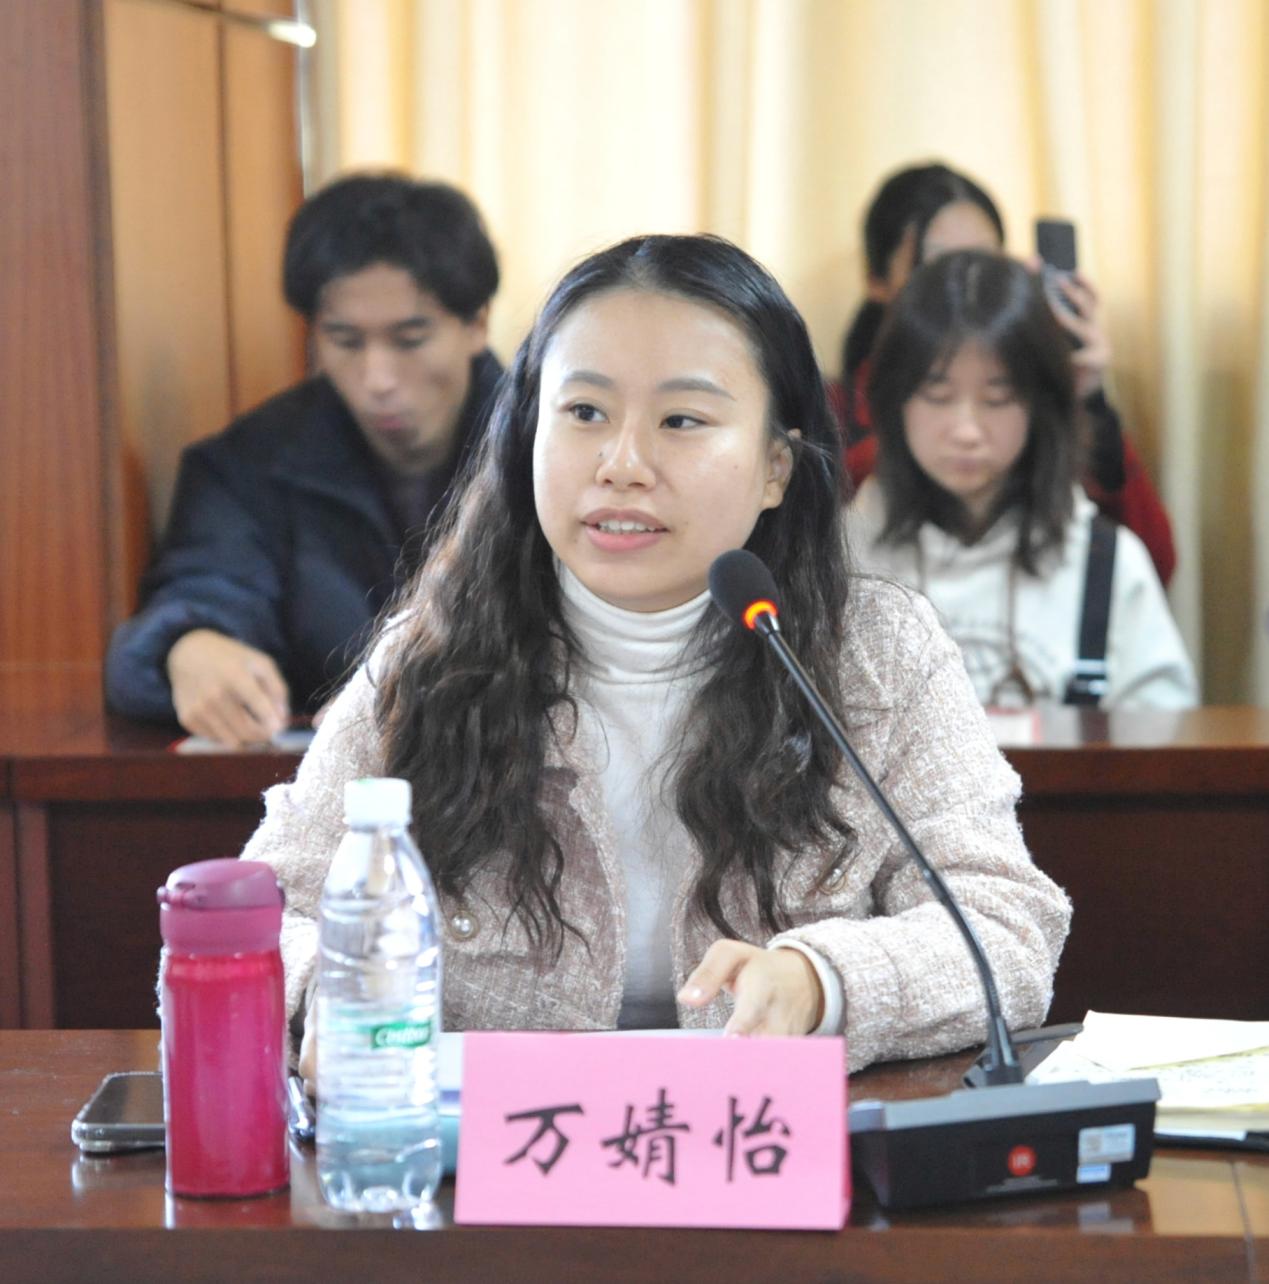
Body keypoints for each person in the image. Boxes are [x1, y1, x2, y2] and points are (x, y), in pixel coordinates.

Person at [239, 233, 1072, 1081]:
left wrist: (822, 984)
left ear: (776, 466)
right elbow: (258, 918)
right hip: (498, 1150)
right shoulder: (430, 655)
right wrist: (325, 991)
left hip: (765, 1147)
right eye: (584, 413)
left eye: (681, 421)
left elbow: (1004, 928)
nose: (622, 465)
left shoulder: (878, 653)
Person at [104, 174, 503, 747]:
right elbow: (207, 586)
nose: (378, 379)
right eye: (345, 341)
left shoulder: (551, 448)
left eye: (410, 339)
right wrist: (188, 645)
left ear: (477, 323)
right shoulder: (248, 466)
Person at [849, 249, 1197, 710]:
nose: (966, 431)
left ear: (1042, 405)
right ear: (893, 401)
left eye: (998, 398)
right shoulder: (839, 557)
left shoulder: (1105, 562)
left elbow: (1165, 737)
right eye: (937, 395)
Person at [833, 161, 1177, 586]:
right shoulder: (832, 414)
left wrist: (1084, 400)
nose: (964, 286)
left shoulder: (1034, 400)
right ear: (878, 282)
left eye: (985, 262)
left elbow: (1149, 565)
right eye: (938, 267)